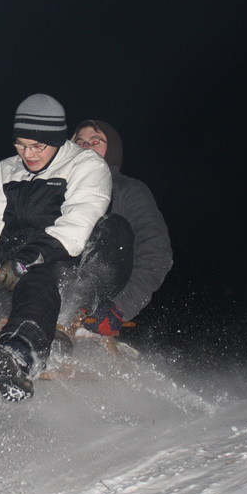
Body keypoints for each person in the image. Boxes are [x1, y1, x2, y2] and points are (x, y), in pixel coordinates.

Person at [0, 93, 117, 402]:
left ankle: (19, 355)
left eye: (39, 146)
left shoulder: (85, 165)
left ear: (59, 139)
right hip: (8, 261)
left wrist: (26, 261)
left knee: (36, 282)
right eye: (21, 144)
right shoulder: (6, 170)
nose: (29, 154)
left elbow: (77, 225)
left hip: (56, 259)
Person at [71, 120, 173, 338]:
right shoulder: (59, 191)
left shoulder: (129, 192)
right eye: (80, 143)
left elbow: (156, 255)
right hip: (55, 288)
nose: (86, 147)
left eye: (95, 141)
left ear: (112, 149)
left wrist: (121, 308)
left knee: (112, 227)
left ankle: (74, 314)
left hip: (101, 301)